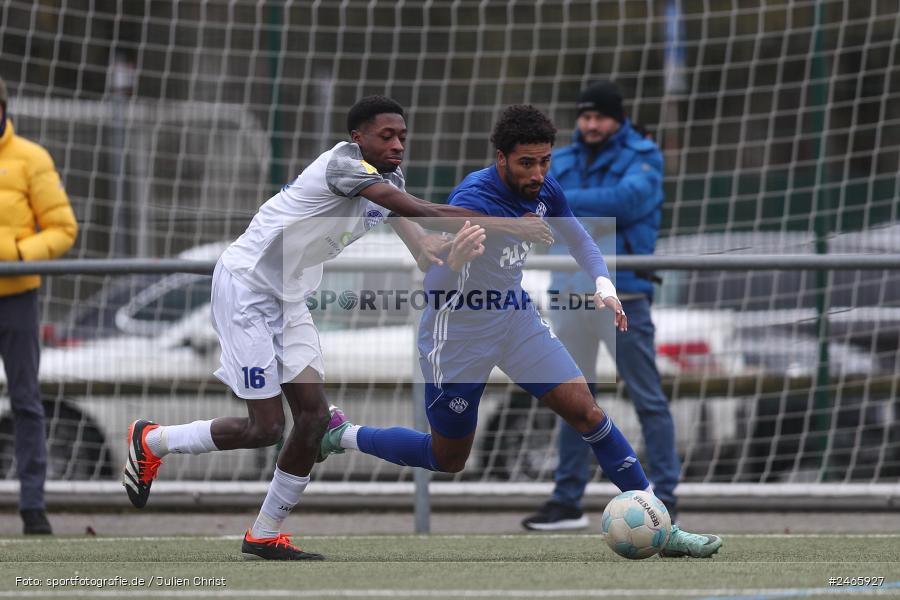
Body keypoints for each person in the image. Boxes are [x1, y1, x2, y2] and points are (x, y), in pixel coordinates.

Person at [121, 96, 552, 561]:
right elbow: (414, 207)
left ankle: (265, 533)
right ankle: (153, 441)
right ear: (357, 137)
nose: (397, 144)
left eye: (402, 136)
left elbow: (414, 233)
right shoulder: (344, 167)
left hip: (289, 295)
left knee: (313, 419)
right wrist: (510, 225)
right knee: (265, 427)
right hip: (245, 287)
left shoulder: (388, 179)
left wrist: (435, 249)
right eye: (385, 136)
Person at [317, 104, 722, 558]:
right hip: (458, 333)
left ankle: (663, 525)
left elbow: (578, 238)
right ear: (501, 158)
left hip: (515, 319)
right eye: (526, 162)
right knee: (447, 457)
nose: (538, 173)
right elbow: (433, 285)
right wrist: (454, 261)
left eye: (545, 160)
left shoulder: (545, 187)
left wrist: (603, 285)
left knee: (587, 412)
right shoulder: (473, 197)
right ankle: (342, 433)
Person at [519, 81, 700, 553]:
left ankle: (665, 499)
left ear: (617, 118)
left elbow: (627, 201)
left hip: (626, 297)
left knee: (648, 400)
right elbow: (558, 204)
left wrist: (564, 203)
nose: (591, 124)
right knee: (573, 400)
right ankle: (565, 501)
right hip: (569, 295)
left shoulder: (645, 154)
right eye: (584, 116)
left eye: (599, 116)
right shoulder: (561, 159)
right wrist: (569, 205)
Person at [0, 76, 78, 535]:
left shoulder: (31, 158)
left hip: (18, 300)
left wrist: (17, 255)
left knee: (26, 401)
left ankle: (32, 505)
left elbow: (63, 227)